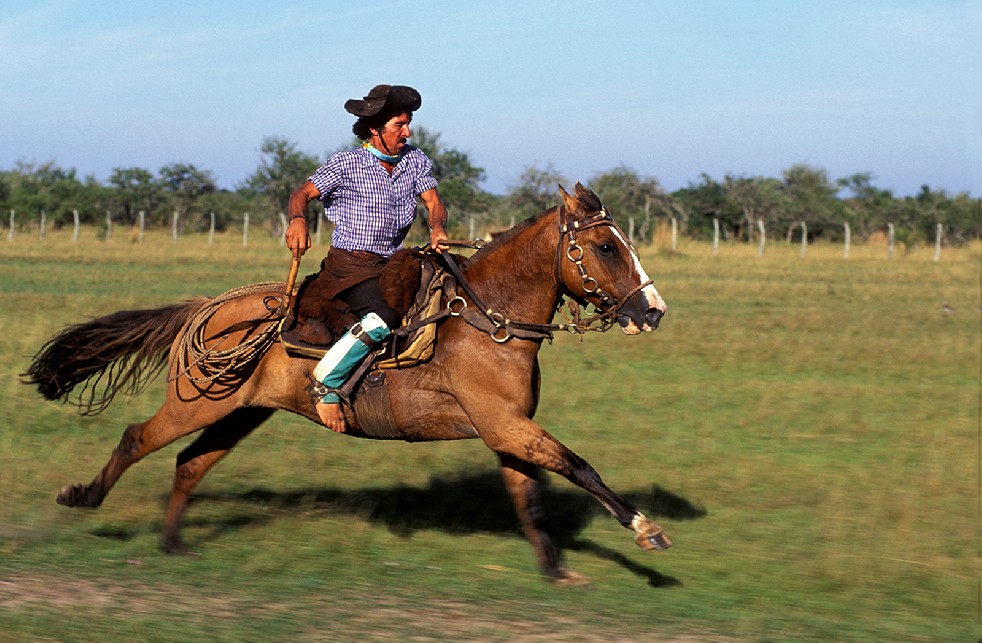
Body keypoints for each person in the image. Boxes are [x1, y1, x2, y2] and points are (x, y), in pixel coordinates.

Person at [285, 84, 449, 433]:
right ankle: (326, 384)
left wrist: (437, 228)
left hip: (392, 264)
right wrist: (297, 220)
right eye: (399, 126)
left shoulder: (415, 160)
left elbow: (434, 203)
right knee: (384, 316)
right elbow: (302, 193)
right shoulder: (345, 164)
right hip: (349, 266)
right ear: (375, 129)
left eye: (408, 124)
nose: (408, 132)